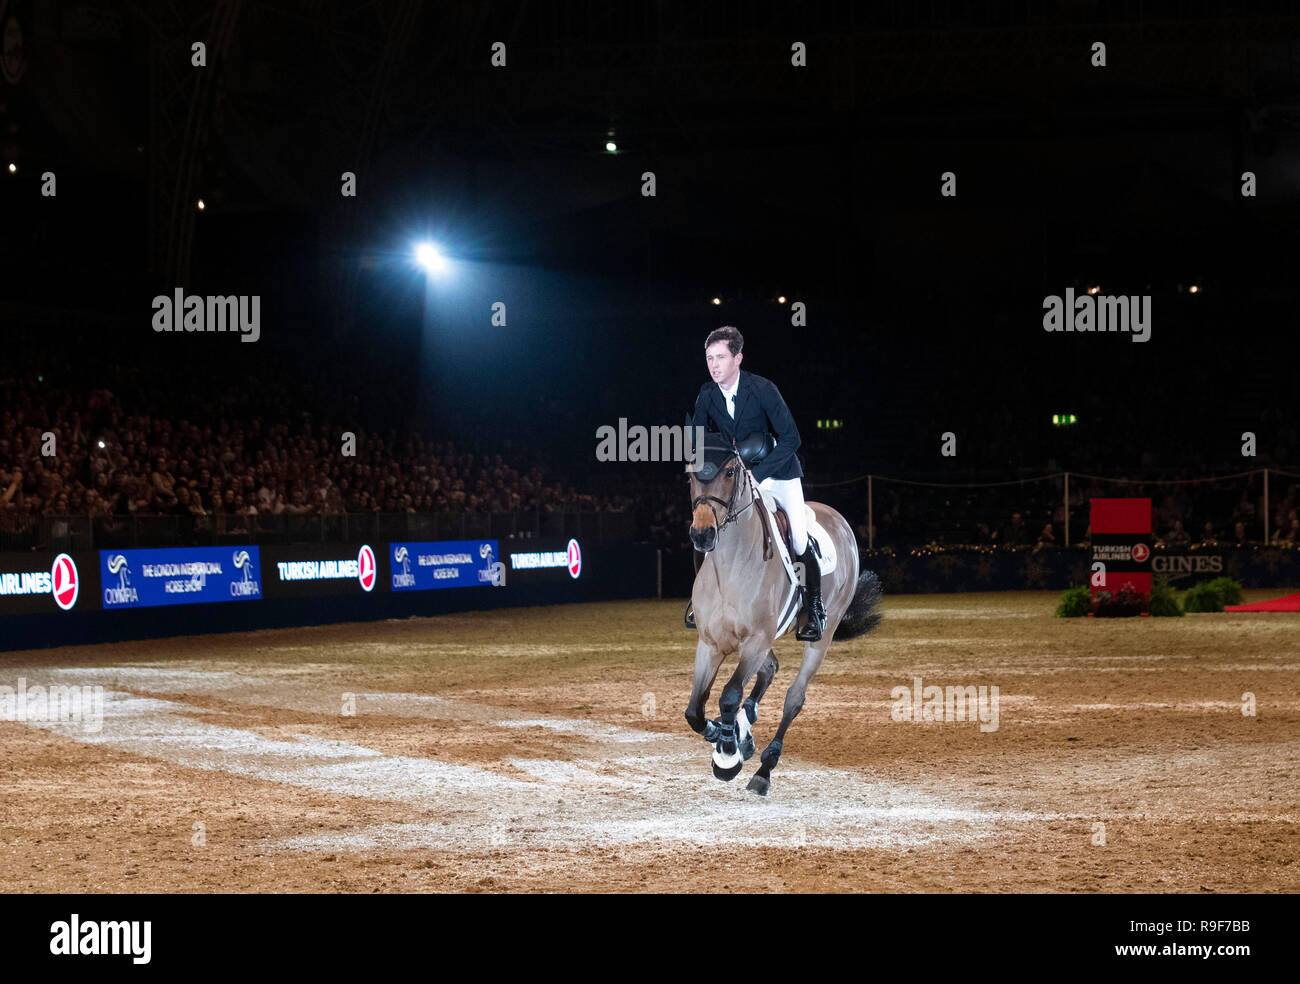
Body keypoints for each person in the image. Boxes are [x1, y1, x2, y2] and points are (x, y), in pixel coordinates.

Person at [684, 326, 824, 641]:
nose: (714, 364)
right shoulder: (707, 393)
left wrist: (759, 476)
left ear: (738, 358)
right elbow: (698, 438)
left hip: (778, 473)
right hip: (737, 478)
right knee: (709, 530)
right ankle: (702, 599)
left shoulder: (763, 390)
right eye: (709, 358)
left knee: (799, 539)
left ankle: (813, 608)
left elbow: (792, 438)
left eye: (720, 357)